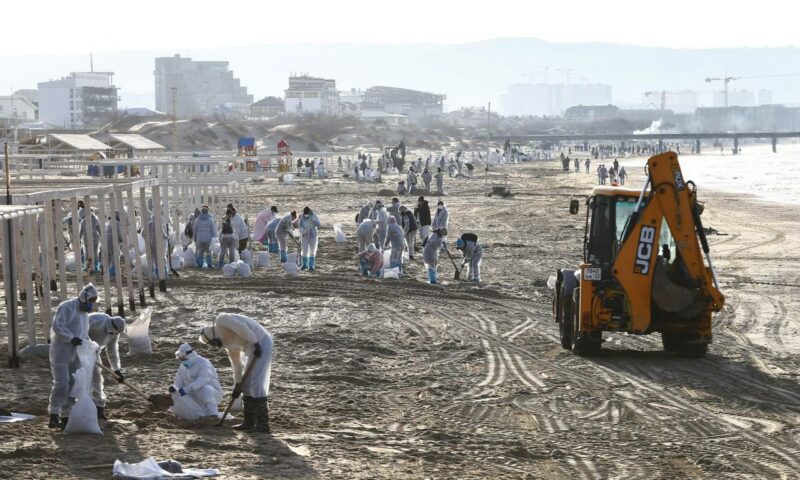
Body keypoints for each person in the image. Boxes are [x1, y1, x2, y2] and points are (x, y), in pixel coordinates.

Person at [199, 313, 274, 433]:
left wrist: (255, 343)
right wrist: (238, 385)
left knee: (255, 383)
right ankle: (249, 423)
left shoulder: (222, 320)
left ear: (213, 334)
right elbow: (237, 365)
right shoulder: (228, 345)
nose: (215, 346)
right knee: (246, 385)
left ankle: (263, 425)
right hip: (252, 348)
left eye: (213, 342)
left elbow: (243, 328)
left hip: (261, 343)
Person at [49, 284, 98, 429]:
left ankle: (66, 415)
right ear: (83, 297)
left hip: (76, 354)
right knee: (62, 383)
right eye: (90, 300)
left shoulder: (84, 315)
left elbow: (83, 334)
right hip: (61, 352)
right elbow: (58, 326)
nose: (90, 304)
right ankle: (54, 413)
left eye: (93, 302)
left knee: (73, 384)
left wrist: (90, 346)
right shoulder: (67, 307)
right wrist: (70, 338)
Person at [87, 313, 126, 420]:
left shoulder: (115, 332)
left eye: (114, 333)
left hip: (94, 353)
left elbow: (112, 350)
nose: (112, 334)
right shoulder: (94, 323)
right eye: (110, 332)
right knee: (80, 380)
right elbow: (80, 335)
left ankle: (99, 410)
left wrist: (116, 370)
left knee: (97, 380)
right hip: (78, 350)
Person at [169, 343, 223, 419]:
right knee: (175, 394)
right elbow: (178, 382)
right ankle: (196, 415)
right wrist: (174, 388)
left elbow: (203, 380)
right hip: (192, 394)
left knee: (206, 389)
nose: (182, 361)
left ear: (189, 355)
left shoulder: (203, 363)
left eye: (183, 359)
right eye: (181, 359)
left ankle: (213, 413)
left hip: (212, 394)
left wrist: (187, 389)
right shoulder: (183, 367)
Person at [293, 206, 321, 271]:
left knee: (312, 250)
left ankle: (311, 266)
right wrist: (302, 230)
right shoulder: (302, 217)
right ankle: (304, 264)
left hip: (313, 235)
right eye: (305, 213)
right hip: (304, 236)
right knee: (304, 250)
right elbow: (299, 226)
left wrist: (314, 222)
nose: (306, 215)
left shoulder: (314, 216)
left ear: (309, 212)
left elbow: (319, 224)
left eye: (307, 213)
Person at [104, 211, 124, 277]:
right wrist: (122, 240)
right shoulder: (117, 223)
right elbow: (119, 234)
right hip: (114, 241)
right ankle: (113, 271)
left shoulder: (109, 223)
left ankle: (109, 270)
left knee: (111, 257)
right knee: (115, 257)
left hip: (107, 241)